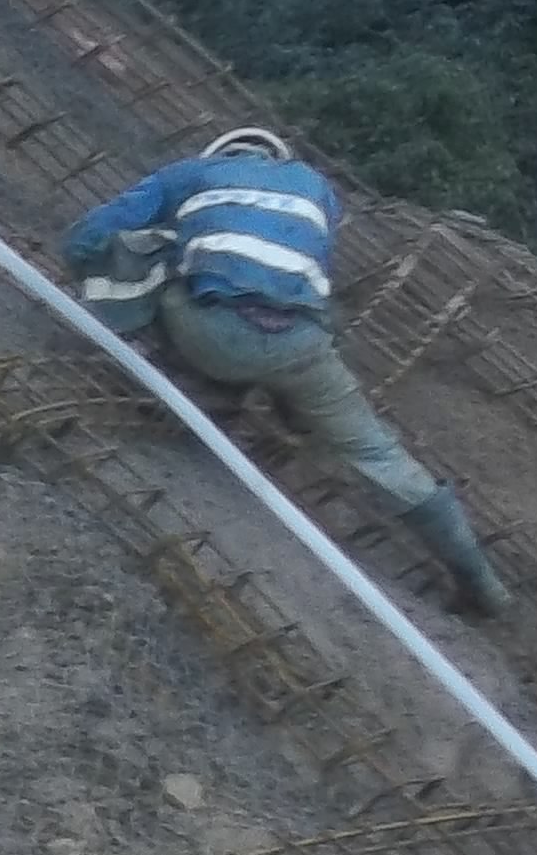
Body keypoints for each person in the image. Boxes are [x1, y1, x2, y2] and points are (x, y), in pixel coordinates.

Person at [63, 127, 507, 617]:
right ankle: (479, 580)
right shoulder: (318, 190)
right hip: (302, 346)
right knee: (378, 452)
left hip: (211, 333)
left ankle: (186, 378)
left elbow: (93, 232)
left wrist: (82, 267)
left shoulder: (191, 174)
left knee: (160, 253)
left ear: (221, 153)